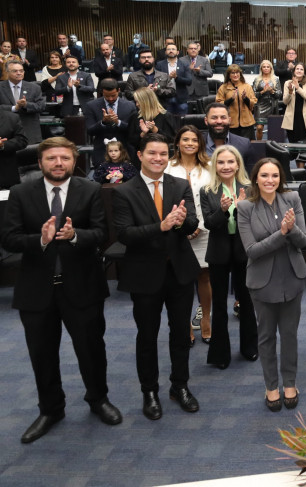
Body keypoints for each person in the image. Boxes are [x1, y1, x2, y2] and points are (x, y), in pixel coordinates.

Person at [1, 137, 121, 444]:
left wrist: (73, 235)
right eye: (52, 158)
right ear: (40, 162)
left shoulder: (90, 190)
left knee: (91, 350)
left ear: (73, 161)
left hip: (82, 286)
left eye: (65, 158)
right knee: (42, 354)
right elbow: (9, 239)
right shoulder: (19, 192)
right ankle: (51, 409)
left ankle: (98, 400)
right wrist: (40, 240)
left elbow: (101, 233)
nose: (58, 163)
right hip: (36, 290)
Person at [113, 133, 201, 420]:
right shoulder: (124, 191)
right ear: (140, 155)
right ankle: (149, 391)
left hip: (179, 272)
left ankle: (180, 386)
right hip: (145, 275)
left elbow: (192, 224)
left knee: (180, 334)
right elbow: (124, 235)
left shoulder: (179, 185)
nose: (158, 159)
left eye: (163, 154)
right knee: (147, 336)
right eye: (152, 153)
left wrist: (181, 222)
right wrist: (160, 227)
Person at [237, 159, 306, 411]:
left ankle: (290, 383)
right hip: (261, 282)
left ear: (281, 178)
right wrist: (283, 233)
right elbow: (252, 251)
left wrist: (290, 231)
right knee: (266, 337)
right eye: (264, 175)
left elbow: (302, 241)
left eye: (275, 176)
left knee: (289, 336)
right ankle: (271, 387)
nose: (270, 180)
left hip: (292, 276)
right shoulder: (245, 207)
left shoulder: (293, 199)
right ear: (255, 178)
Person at [201, 145, 258, 369]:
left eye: (230, 162)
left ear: (237, 165)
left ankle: (249, 348)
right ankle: (219, 354)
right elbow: (209, 223)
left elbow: (255, 222)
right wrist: (223, 210)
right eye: (221, 162)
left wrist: (242, 207)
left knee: (247, 301)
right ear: (215, 165)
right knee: (220, 304)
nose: (226, 166)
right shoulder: (207, 190)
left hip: (244, 252)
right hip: (218, 252)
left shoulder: (250, 188)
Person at [165, 126, 212, 348]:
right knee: (181, 281)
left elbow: (212, 198)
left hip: (204, 231)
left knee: (204, 277)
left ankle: (205, 319)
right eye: (185, 139)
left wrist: (199, 226)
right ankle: (184, 325)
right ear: (177, 142)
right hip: (176, 231)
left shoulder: (209, 167)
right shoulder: (167, 167)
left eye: (195, 139)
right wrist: (182, 227)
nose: (190, 143)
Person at [84, 78, 137, 166]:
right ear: (102, 92)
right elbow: (89, 130)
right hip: (102, 153)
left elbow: (133, 130)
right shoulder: (91, 106)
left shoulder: (130, 106)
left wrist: (118, 122)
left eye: (113, 95)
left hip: (124, 153)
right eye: (107, 96)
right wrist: (103, 122)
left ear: (118, 90)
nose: (110, 98)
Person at [2, 60, 46, 144]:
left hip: (29, 132)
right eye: (15, 71)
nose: (19, 73)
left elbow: (41, 106)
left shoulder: (34, 87)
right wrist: (14, 108)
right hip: (6, 133)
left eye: (21, 71)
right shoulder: (1, 87)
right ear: (7, 72)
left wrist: (26, 105)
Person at [128, 88, 178, 155]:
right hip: (141, 156)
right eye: (136, 102)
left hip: (162, 155)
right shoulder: (135, 117)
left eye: (138, 101)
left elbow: (172, 140)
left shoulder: (166, 116)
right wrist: (143, 133)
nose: (137, 104)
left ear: (146, 101)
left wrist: (156, 130)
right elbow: (131, 142)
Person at [203, 102, 252, 168]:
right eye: (214, 118)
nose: (219, 121)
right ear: (206, 121)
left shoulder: (244, 145)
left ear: (229, 120)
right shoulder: (196, 144)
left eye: (223, 117)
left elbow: (249, 175)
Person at [216, 64, 257, 140]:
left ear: (240, 74)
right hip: (231, 124)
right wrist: (230, 99)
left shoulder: (247, 86)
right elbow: (218, 104)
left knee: (248, 147)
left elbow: (254, 103)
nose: (235, 75)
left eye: (237, 72)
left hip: (247, 123)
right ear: (229, 75)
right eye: (233, 73)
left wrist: (245, 99)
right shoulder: (223, 87)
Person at [280, 62, 306, 149]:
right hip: (292, 118)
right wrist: (290, 91)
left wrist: (298, 88)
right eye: (297, 69)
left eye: (301, 69)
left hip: (304, 119)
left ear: (304, 72)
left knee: (303, 147)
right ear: (294, 71)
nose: (299, 71)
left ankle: (301, 162)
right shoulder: (288, 83)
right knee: (293, 147)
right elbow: (285, 101)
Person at [155, 44, 193, 116]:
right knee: (167, 121)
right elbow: (157, 82)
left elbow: (189, 81)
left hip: (181, 98)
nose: (171, 51)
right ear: (165, 52)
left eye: (173, 49)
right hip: (165, 98)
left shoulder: (184, 64)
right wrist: (168, 78)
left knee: (182, 121)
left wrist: (176, 77)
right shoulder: (159, 65)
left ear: (177, 52)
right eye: (169, 49)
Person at [252, 59, 283, 141]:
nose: (266, 68)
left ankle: (272, 146)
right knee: (259, 127)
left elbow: (279, 94)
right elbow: (253, 95)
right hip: (260, 105)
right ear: (261, 68)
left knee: (273, 129)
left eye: (268, 67)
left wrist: (272, 91)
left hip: (272, 105)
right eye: (264, 67)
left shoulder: (275, 79)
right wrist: (263, 91)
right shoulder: (257, 79)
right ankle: (259, 144)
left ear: (271, 68)